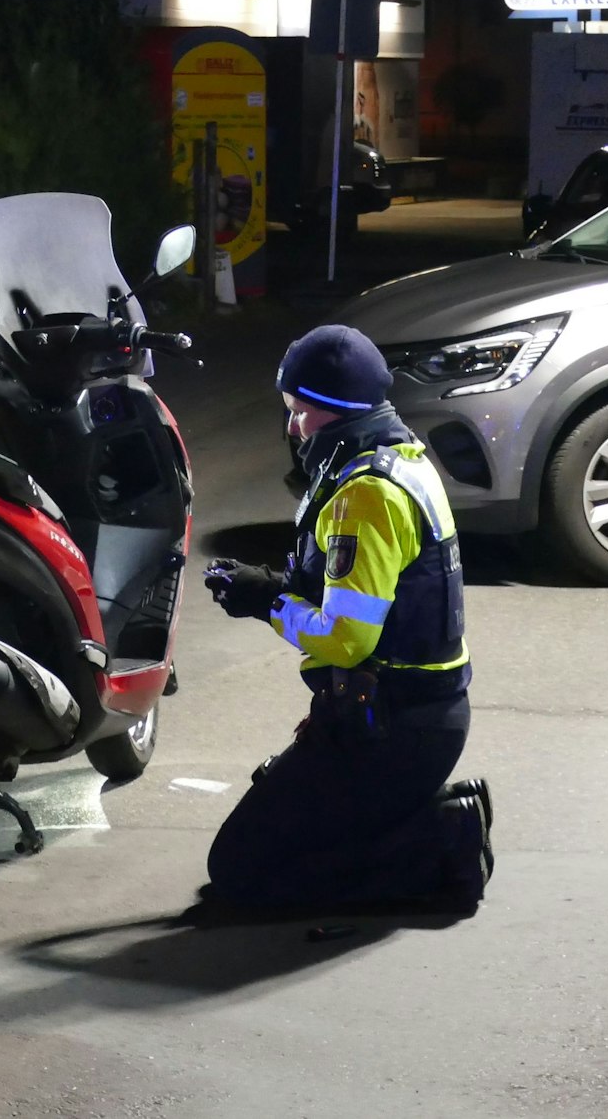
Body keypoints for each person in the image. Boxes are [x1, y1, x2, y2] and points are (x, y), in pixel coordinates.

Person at [202, 324, 493, 913]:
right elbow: (365, 597)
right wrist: (274, 585)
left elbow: (346, 639)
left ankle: (445, 840)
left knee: (239, 874)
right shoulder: (398, 460)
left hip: (394, 728)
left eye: (300, 412)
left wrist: (267, 602)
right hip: (401, 716)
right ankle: (412, 819)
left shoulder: (365, 495)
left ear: (336, 413)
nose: (291, 428)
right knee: (258, 853)